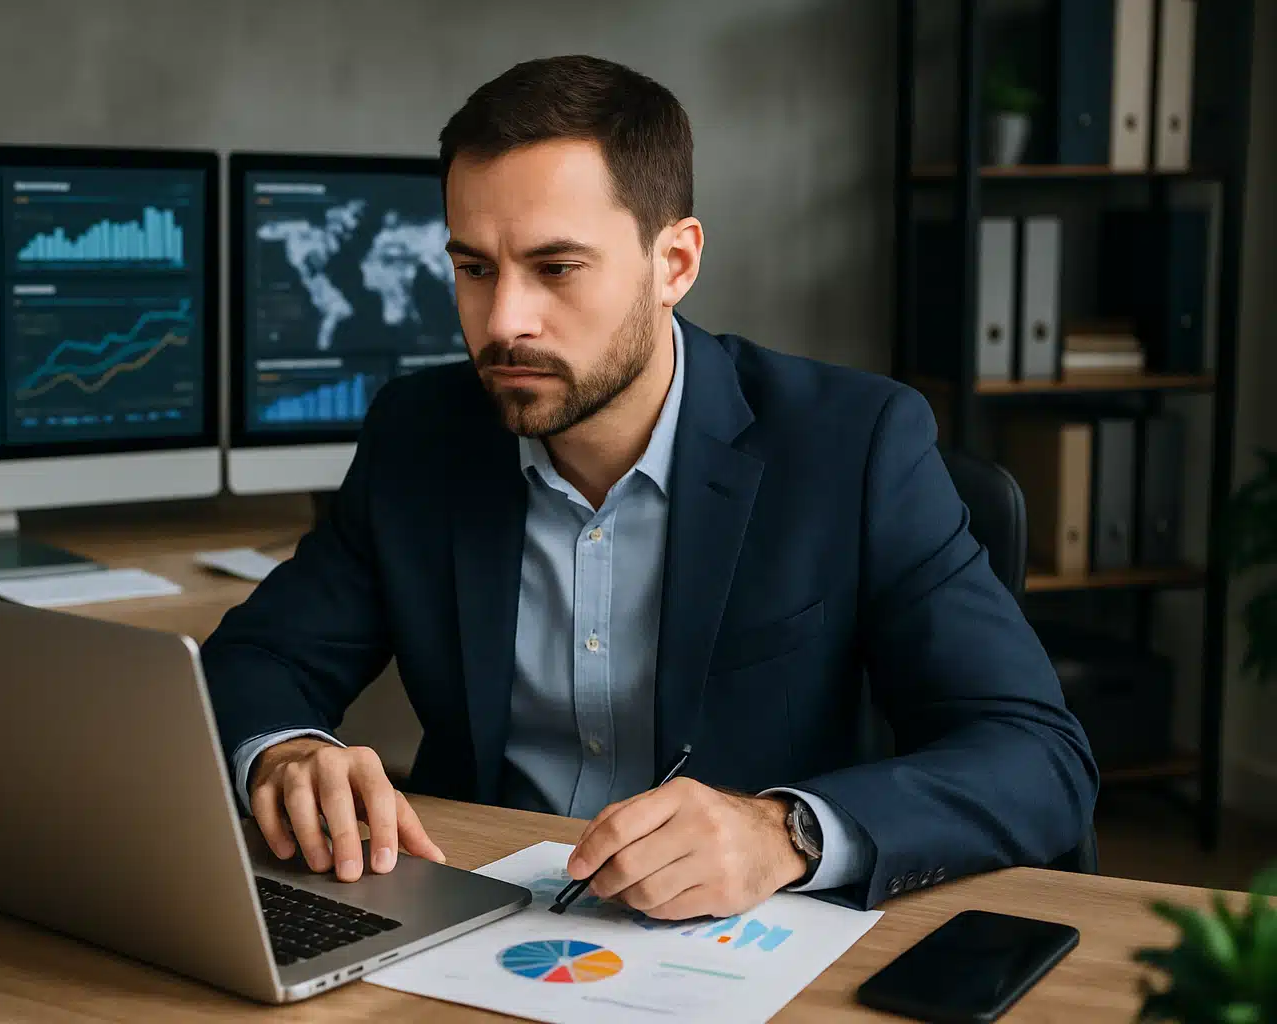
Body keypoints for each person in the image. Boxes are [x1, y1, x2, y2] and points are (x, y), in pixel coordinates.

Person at [201, 54, 1098, 916]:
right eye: (474, 269)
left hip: (743, 943)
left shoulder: (854, 445)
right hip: (467, 915)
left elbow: (1036, 756)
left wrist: (785, 833)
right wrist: (286, 752)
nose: (503, 321)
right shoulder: (420, 432)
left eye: (556, 269)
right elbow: (258, 659)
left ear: (675, 263)